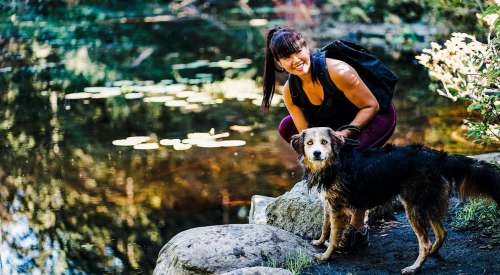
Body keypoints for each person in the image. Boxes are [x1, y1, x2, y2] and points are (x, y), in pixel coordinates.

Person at [261, 27, 397, 251]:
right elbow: (308, 137)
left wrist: (344, 135)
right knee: (287, 126)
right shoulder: (290, 91)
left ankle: (357, 227)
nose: (295, 60)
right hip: (339, 123)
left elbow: (370, 105)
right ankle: (335, 193)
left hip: (374, 115)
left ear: (307, 47)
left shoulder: (337, 70)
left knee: (348, 157)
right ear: (278, 62)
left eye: (298, 51)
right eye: (287, 57)